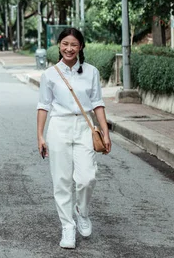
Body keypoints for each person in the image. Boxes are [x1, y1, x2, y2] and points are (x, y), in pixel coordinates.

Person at [36, 27, 111, 249]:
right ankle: (67, 227)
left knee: (87, 177)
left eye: (74, 45)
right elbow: (43, 106)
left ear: (81, 47)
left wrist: (105, 132)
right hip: (59, 126)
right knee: (61, 180)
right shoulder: (49, 75)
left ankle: (82, 211)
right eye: (65, 44)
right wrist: (40, 135)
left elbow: (97, 103)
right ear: (59, 46)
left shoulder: (91, 72)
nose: (69, 48)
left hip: (84, 126)